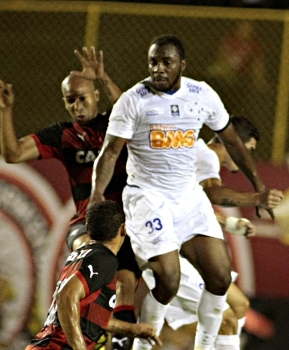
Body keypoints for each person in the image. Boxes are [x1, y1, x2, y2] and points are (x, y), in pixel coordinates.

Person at [89, 34, 274, 350]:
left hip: (186, 198)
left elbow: (233, 141)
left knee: (220, 279)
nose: (158, 69)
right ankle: (143, 345)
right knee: (169, 280)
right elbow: (109, 153)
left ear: (182, 65)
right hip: (148, 198)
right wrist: (96, 199)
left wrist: (259, 187)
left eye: (166, 62)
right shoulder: (135, 99)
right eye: (153, 62)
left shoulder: (201, 95)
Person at [0, 46, 141, 349]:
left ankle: (113, 343)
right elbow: (12, 154)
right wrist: (6, 111)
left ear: (95, 95)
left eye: (82, 97)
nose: (77, 105)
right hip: (87, 224)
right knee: (93, 257)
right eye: (70, 100)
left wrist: (105, 78)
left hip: (127, 225)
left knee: (125, 284)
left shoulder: (116, 125)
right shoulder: (65, 135)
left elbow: (132, 109)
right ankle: (64, 335)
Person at [156, 116, 284, 350]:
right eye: (249, 150)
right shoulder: (205, 156)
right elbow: (214, 195)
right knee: (226, 317)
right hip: (165, 250)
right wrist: (257, 197)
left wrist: (231, 224)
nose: (248, 159)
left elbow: (193, 209)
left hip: (173, 248)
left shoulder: (196, 157)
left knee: (238, 307)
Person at [25, 200, 161, 350]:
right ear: (123, 229)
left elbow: (92, 318)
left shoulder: (81, 256)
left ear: (88, 229)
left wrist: (132, 329)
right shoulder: (104, 260)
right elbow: (66, 296)